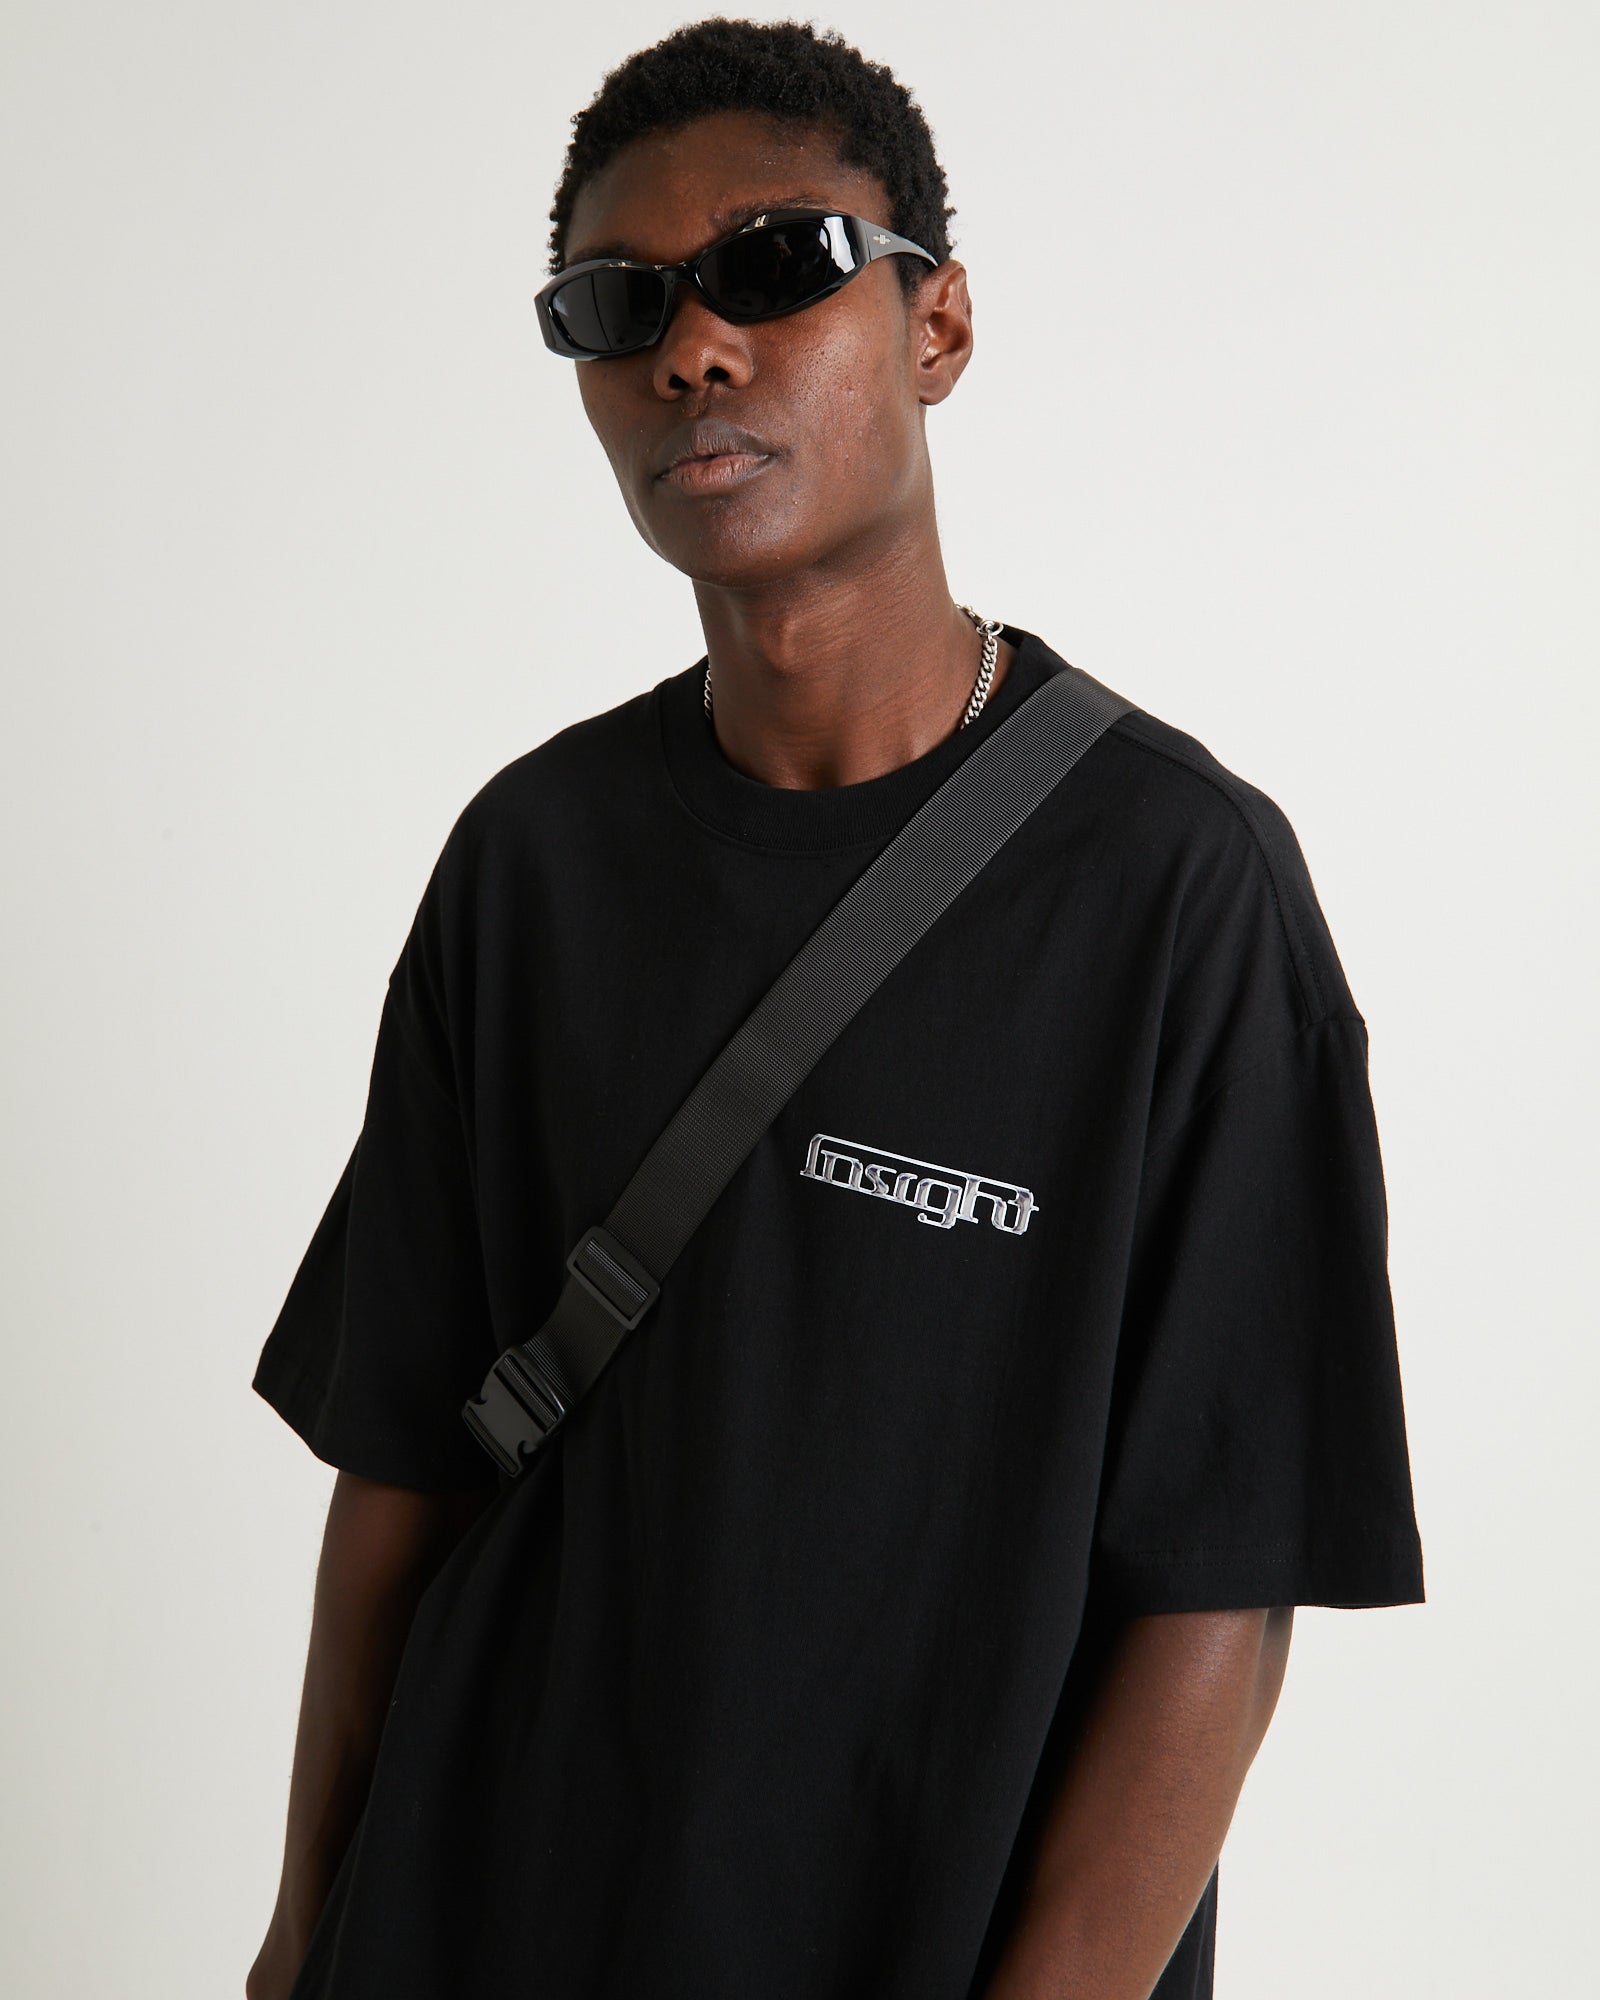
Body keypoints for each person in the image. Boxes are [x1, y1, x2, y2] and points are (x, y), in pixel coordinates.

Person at [246, 19, 1425, 2000]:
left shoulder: (1175, 889)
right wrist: (297, 1948)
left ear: (936, 324)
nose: (694, 351)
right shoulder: (530, 861)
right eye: (617, 304)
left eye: (776, 266)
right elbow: (402, 1476)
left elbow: (1217, 1598)